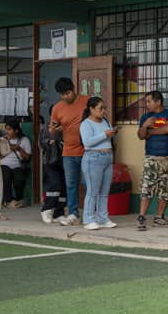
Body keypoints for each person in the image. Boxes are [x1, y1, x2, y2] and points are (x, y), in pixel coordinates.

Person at [136, 91, 168, 231]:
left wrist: (150, 132)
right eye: (146, 102)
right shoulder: (145, 117)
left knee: (166, 189)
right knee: (147, 188)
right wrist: (145, 126)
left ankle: (159, 217)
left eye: (149, 101)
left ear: (158, 102)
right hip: (151, 158)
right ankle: (141, 217)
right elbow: (141, 136)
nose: (147, 104)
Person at [50, 77, 89, 227]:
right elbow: (52, 132)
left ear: (74, 88)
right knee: (71, 185)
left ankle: (90, 213)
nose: (65, 97)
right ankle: (73, 214)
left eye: (67, 93)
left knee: (87, 184)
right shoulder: (57, 108)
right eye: (62, 94)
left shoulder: (87, 101)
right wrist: (55, 130)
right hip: (68, 151)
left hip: (87, 150)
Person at [79, 96, 117, 230]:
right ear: (91, 109)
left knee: (104, 191)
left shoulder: (105, 121)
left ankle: (103, 218)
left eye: (104, 108)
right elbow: (87, 142)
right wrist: (105, 135)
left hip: (107, 157)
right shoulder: (86, 124)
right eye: (100, 108)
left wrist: (112, 133)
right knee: (93, 191)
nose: (103, 111)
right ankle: (89, 219)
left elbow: (108, 137)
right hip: (93, 157)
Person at [39, 107, 66, 224]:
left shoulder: (65, 126)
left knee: (64, 187)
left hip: (64, 160)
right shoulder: (45, 127)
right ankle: (47, 209)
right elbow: (42, 144)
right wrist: (53, 135)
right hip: (50, 161)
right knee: (55, 184)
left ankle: (59, 213)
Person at [0, 119, 31, 208]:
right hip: (4, 164)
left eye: (9, 129)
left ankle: (19, 199)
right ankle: (8, 200)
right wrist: (6, 147)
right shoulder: (3, 139)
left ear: (16, 130)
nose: (7, 131)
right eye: (6, 129)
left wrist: (19, 149)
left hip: (18, 165)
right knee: (6, 177)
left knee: (19, 179)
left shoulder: (24, 140)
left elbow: (27, 157)